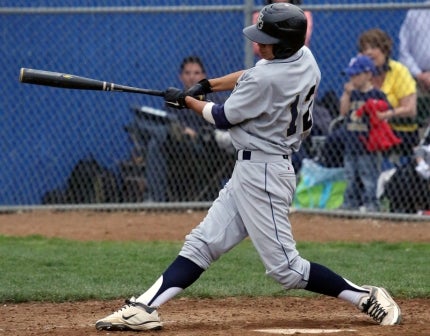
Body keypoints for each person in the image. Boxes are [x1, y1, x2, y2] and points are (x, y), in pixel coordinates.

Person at [95, 4, 401, 331]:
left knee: (287, 269)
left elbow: (221, 117)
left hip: (265, 175)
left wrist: (185, 101)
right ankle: (143, 307)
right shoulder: (304, 58)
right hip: (252, 171)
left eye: (266, 40)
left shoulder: (268, 79)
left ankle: (365, 296)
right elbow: (251, 74)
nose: (259, 45)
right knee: (203, 243)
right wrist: (207, 85)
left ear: (284, 43)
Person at [141, 55, 229, 202]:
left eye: (196, 73)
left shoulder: (215, 102)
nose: (191, 77)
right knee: (156, 135)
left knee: (157, 137)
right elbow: (169, 122)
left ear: (203, 76)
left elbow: (220, 132)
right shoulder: (175, 101)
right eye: (187, 73)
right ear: (181, 77)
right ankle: (156, 199)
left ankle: (155, 198)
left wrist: (196, 134)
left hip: (206, 152)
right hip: (179, 151)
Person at [339, 55, 399, 211]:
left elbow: (387, 115)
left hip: (369, 146)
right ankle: (350, 204)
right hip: (351, 143)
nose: (353, 79)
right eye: (350, 75)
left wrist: (381, 115)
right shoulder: (352, 94)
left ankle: (372, 204)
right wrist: (346, 94)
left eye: (356, 75)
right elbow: (343, 112)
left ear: (368, 75)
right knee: (350, 177)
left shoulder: (377, 95)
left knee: (369, 177)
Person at [358, 28, 418, 167]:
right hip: (367, 129)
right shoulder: (361, 73)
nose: (369, 52)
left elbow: (410, 109)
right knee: (338, 140)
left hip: (399, 130)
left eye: (374, 47)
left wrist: (385, 115)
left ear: (385, 50)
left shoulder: (399, 71)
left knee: (360, 142)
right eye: (364, 49)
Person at [399, 2, 430, 130]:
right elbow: (403, 50)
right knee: (416, 120)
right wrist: (419, 74)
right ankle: (421, 146)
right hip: (415, 78)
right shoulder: (415, 12)